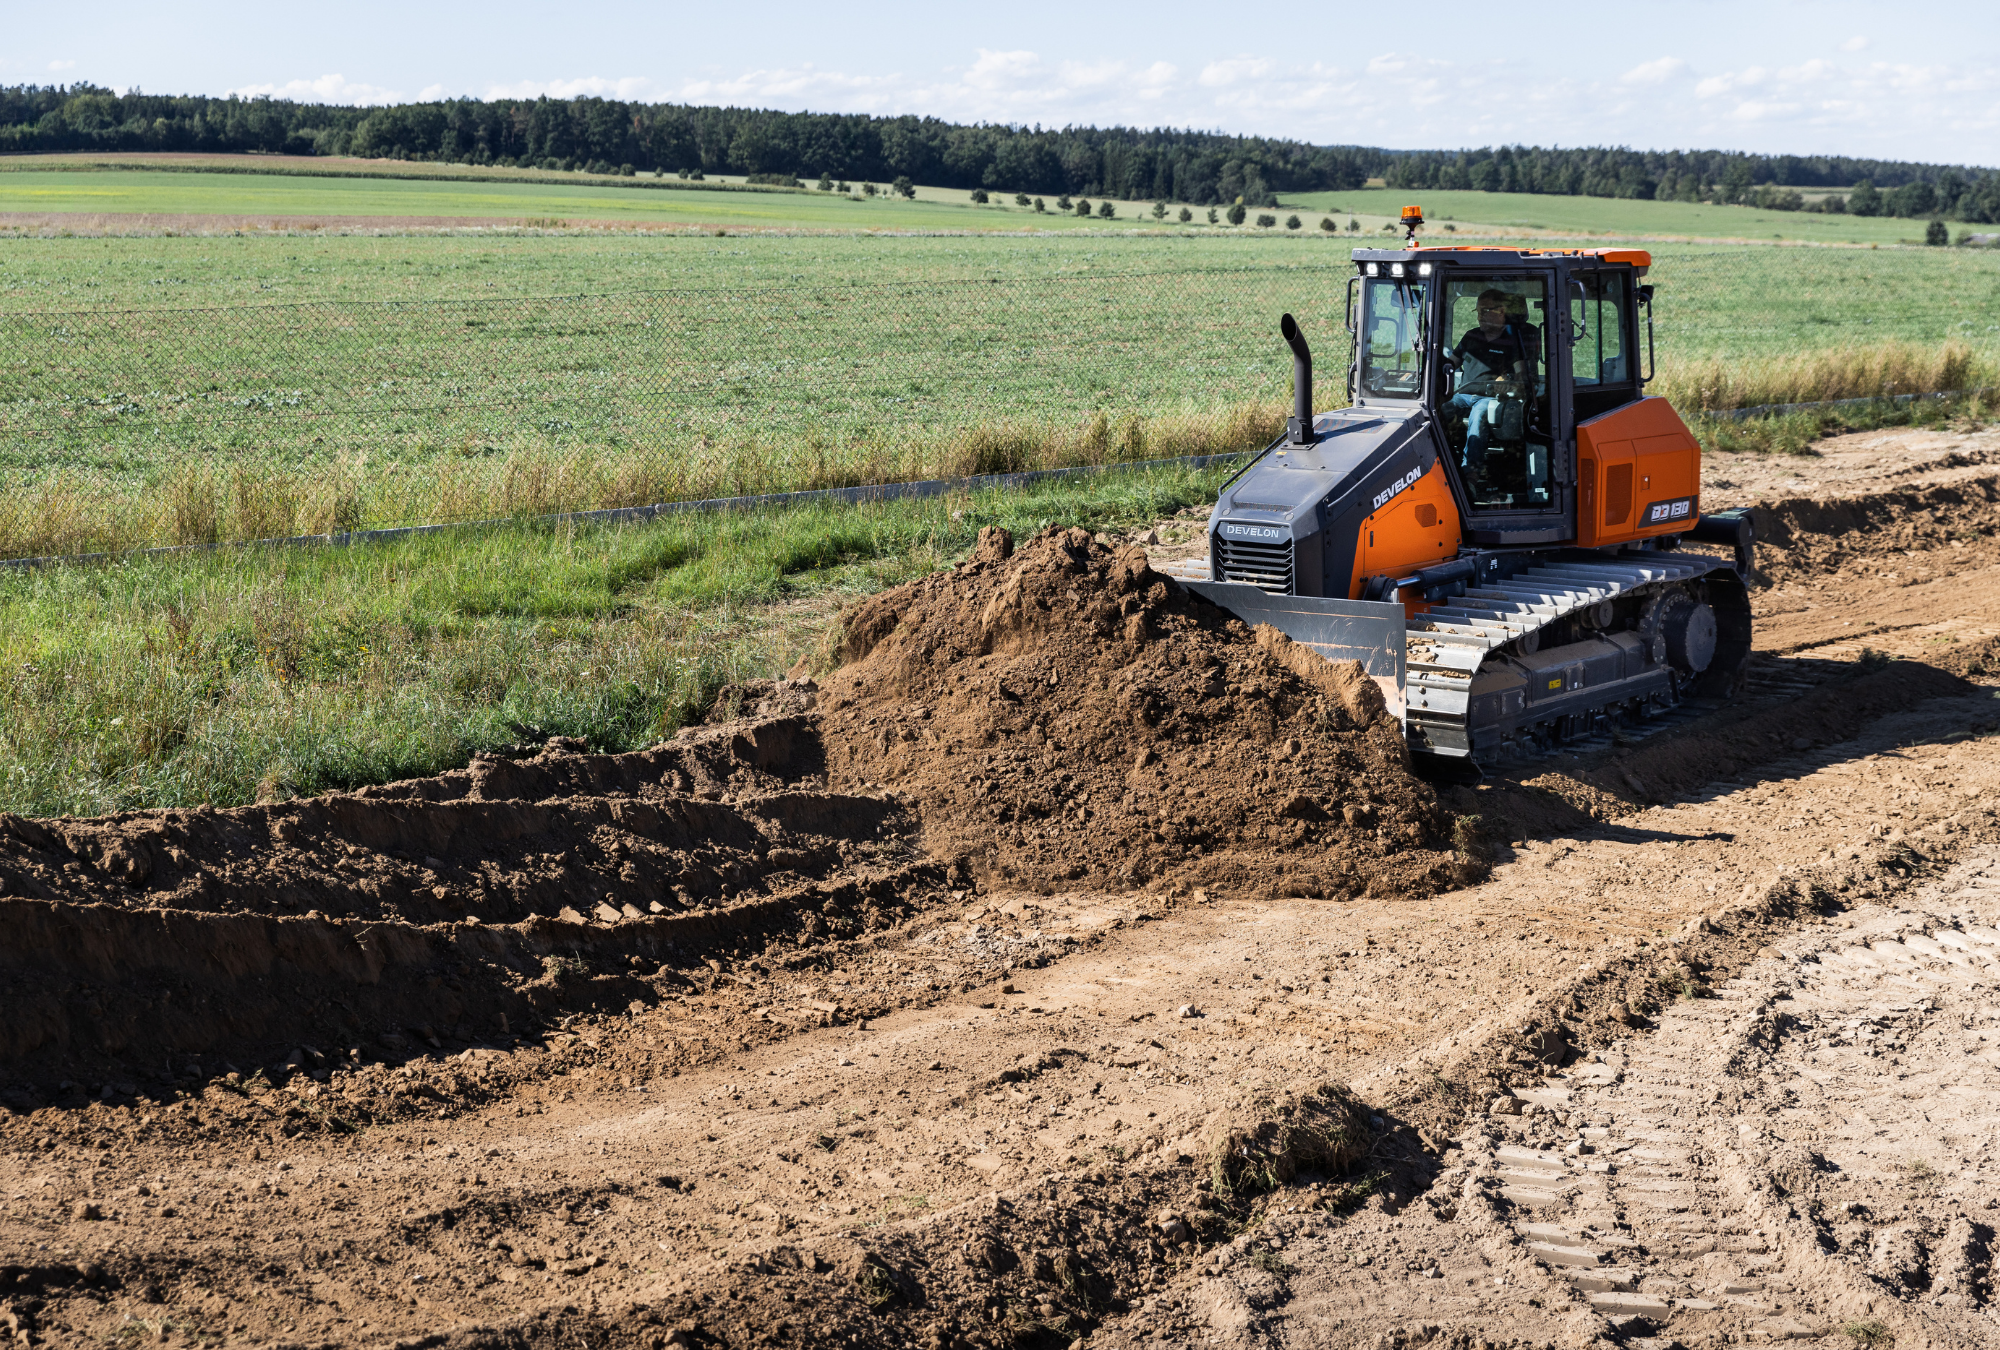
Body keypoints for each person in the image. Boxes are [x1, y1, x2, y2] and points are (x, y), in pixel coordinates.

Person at [1448, 288, 1540, 483]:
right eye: (1478, 311)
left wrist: (1508, 383)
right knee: (1440, 409)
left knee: (1479, 415)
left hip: (1490, 398)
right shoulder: (1471, 336)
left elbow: (1521, 374)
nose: (1480, 316)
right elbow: (1450, 364)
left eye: (1485, 310)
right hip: (1462, 395)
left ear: (1501, 311)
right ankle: (1443, 464)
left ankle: (1470, 474)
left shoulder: (1513, 341)